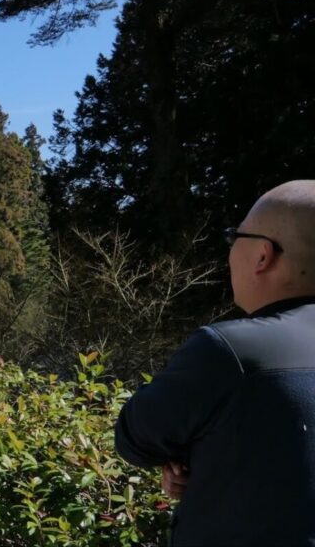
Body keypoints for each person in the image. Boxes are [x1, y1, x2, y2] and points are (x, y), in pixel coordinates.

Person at [115, 180, 315, 546]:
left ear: (263, 255)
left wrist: (184, 452)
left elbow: (134, 436)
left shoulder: (230, 351)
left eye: (235, 237)